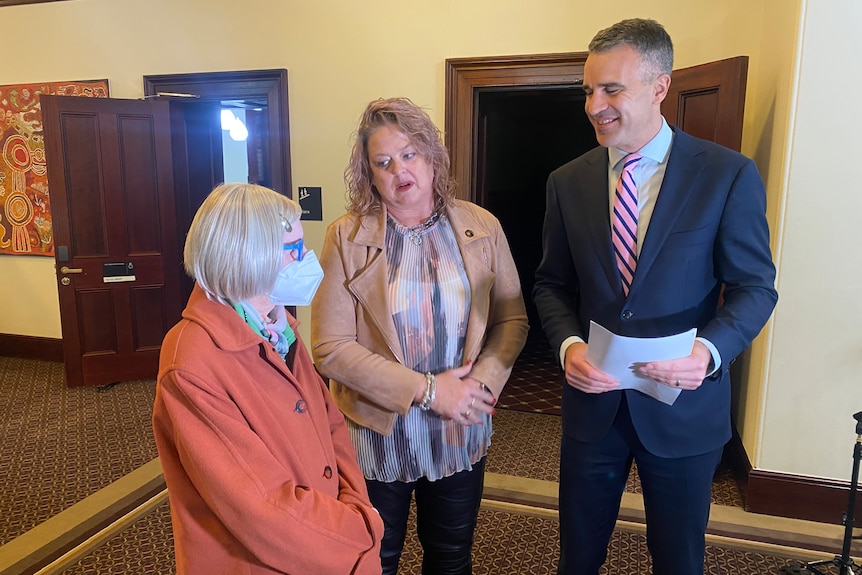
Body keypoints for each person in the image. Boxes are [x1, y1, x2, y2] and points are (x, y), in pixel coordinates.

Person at [532, 18, 778, 575]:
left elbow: (754, 288)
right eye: (588, 91)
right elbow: (551, 284)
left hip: (684, 406)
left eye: (612, 90)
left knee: (678, 558)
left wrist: (707, 353)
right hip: (593, 404)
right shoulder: (566, 181)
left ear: (659, 87)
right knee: (578, 555)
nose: (595, 105)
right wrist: (569, 344)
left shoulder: (726, 175)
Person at [310, 97, 528, 575]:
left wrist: (481, 385)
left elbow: (511, 320)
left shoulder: (481, 226)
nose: (398, 170)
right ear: (368, 174)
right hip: (377, 434)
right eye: (382, 162)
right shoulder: (346, 237)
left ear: (432, 156)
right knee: (372, 560)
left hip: (458, 431)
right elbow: (329, 348)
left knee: (450, 557)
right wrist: (429, 391)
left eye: (409, 154)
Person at [152, 183, 384, 575]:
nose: (306, 259)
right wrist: (358, 536)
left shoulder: (280, 327)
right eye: (293, 249)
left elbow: (332, 431)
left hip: (324, 540)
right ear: (248, 256)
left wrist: (355, 508)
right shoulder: (191, 361)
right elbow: (259, 506)